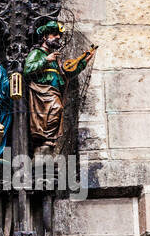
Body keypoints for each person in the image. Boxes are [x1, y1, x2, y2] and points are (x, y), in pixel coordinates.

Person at [24, 20, 96, 153]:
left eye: (59, 35)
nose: (57, 37)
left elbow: (67, 73)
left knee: (57, 110)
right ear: (45, 37)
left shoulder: (56, 58)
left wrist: (85, 60)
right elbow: (27, 69)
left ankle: (49, 141)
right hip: (41, 93)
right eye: (54, 34)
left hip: (54, 92)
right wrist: (46, 60)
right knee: (55, 110)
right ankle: (43, 141)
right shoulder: (37, 53)